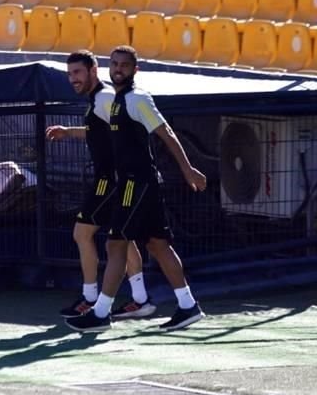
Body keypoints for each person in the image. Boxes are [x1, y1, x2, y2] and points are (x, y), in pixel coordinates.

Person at [66, 45, 206, 333]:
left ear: (135, 70)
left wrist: (187, 168)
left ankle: (101, 312)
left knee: (115, 243)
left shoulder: (138, 98)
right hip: (136, 183)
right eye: (114, 64)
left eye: (124, 65)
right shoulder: (117, 99)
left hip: (137, 183)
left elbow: (165, 132)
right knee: (157, 244)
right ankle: (188, 305)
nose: (118, 69)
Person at [46, 50, 156, 320]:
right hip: (111, 177)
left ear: (93, 70)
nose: (73, 78)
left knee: (83, 234)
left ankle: (91, 297)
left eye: (78, 72)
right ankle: (141, 299)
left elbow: (127, 130)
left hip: (111, 179)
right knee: (121, 239)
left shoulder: (105, 97)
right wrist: (68, 132)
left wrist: (125, 170)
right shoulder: (99, 98)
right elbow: (103, 131)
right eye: (70, 73)